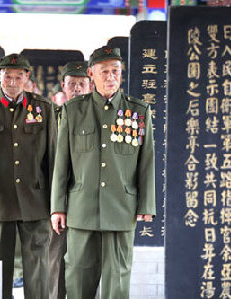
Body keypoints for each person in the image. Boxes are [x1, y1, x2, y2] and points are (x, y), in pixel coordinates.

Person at [50, 46, 156, 299]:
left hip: (121, 207)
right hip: (80, 208)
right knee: (77, 274)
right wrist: (57, 207)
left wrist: (146, 205)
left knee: (117, 277)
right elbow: (62, 163)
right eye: (104, 71)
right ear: (91, 74)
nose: (111, 77)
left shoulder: (138, 111)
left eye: (115, 71)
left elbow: (147, 161)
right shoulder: (73, 111)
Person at [0, 53, 56, 299]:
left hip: (36, 199)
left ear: (27, 78)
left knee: (39, 269)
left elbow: (53, 157)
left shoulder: (43, 108)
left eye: (18, 77)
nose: (12, 82)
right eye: (7, 76)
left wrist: (57, 203)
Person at [48, 61, 91, 299]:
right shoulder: (50, 118)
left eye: (81, 84)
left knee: (87, 260)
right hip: (57, 199)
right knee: (56, 258)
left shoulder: (99, 117)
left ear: (90, 85)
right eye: (71, 84)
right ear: (63, 86)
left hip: (87, 199)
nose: (76, 89)